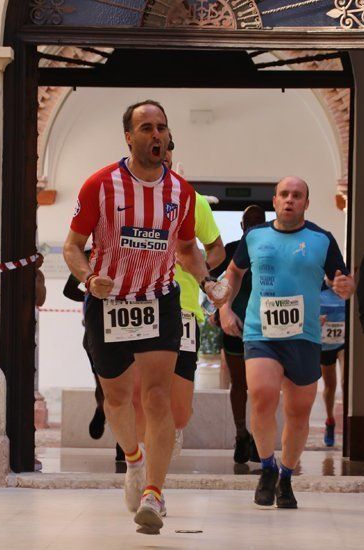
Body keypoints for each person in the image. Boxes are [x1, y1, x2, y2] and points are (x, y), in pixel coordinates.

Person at [62, 100, 226, 535]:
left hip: (159, 300)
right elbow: (72, 247)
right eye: (147, 128)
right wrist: (87, 277)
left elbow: (188, 248)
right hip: (110, 303)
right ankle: (133, 461)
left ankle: (154, 493)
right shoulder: (100, 185)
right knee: (117, 399)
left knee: (156, 397)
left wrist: (208, 284)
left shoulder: (182, 193)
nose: (156, 135)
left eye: (162, 128)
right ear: (129, 138)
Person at [221, 176, 355, 509]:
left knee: (298, 412)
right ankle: (266, 467)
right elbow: (234, 273)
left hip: (305, 336)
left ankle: (286, 477)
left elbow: (340, 279)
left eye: (297, 195)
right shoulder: (255, 237)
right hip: (260, 332)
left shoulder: (322, 240)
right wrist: (224, 308)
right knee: (263, 397)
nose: (289, 200)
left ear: (306, 203)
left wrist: (345, 287)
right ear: (275, 200)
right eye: (284, 194)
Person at [130, 138, 225, 456]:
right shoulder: (124, 196)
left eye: (168, 147)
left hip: (182, 309)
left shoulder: (191, 199)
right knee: (140, 394)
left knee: (179, 411)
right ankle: (143, 470)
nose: (163, 154)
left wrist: (195, 267)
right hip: (136, 305)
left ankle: (170, 433)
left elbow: (217, 250)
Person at [213, 205, 265, 464]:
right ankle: (241, 433)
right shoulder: (232, 250)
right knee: (239, 383)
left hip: (264, 327)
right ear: (242, 226)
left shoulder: (270, 247)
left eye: (259, 221)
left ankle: (257, 437)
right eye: (249, 221)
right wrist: (219, 309)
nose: (254, 225)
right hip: (234, 325)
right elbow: (209, 277)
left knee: (260, 385)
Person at [63, 260, 126, 462]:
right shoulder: (88, 258)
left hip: (130, 329)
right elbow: (68, 290)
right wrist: (93, 295)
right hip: (97, 332)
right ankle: (101, 408)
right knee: (105, 386)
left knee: (129, 389)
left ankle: (123, 444)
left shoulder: (133, 256)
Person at [318, 282, 346, 447]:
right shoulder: (318, 291)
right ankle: (330, 420)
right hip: (326, 345)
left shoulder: (346, 290)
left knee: (345, 381)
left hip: (343, 344)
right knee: (330, 387)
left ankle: (348, 423)